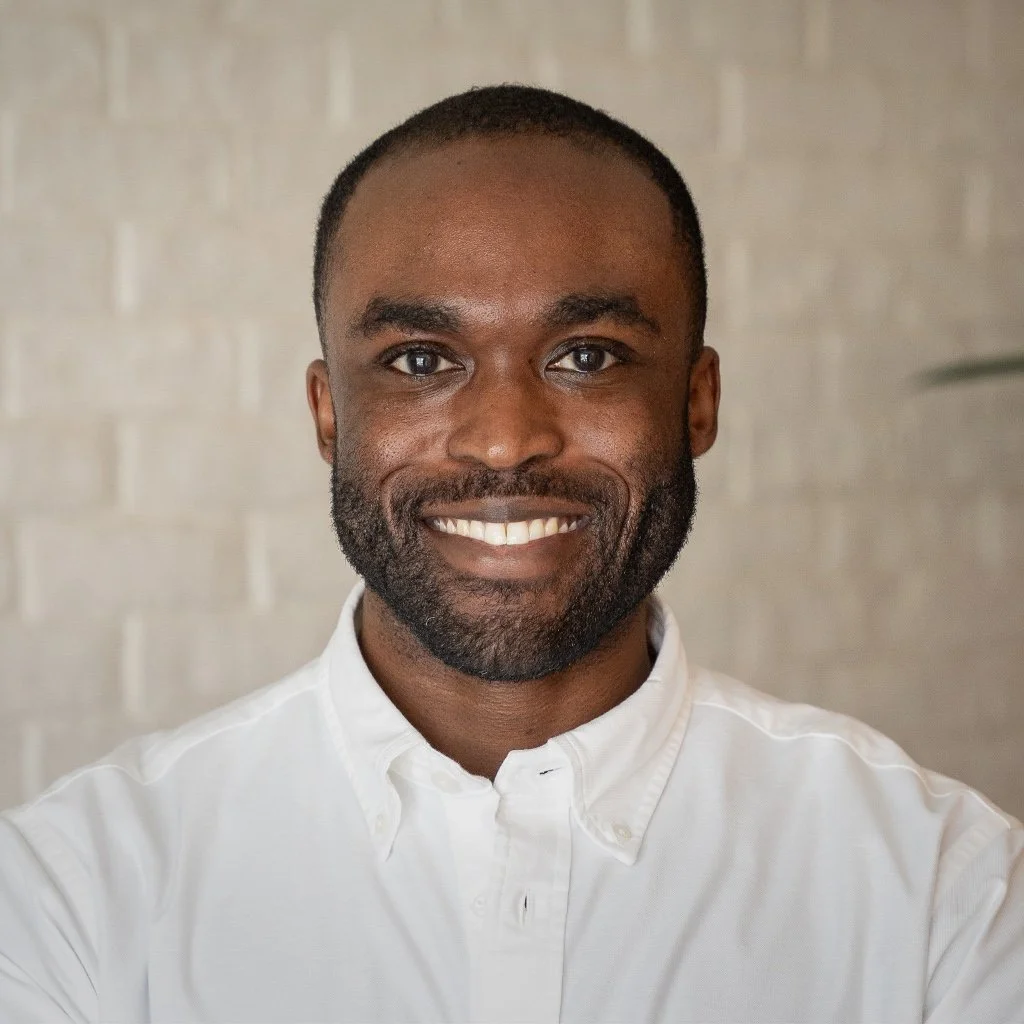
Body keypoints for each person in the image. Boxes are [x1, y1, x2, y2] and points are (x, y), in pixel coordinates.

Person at [1, 85, 1021, 1024]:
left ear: (697, 401)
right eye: (418, 361)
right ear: (326, 413)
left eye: (586, 357)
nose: (502, 438)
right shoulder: (75, 896)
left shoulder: (944, 891)